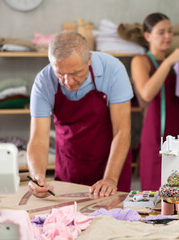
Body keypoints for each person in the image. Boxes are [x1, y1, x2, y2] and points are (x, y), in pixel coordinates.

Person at [27, 32, 133, 198]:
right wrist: (37, 176)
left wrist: (110, 179)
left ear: (89, 59)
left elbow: (122, 131)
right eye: (60, 74)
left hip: (111, 165)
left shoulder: (113, 70)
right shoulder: (43, 81)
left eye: (75, 73)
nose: (68, 82)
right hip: (70, 165)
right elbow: (38, 139)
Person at [131, 12, 179, 190]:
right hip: (155, 130)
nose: (168, 36)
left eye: (170, 31)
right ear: (148, 36)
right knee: (154, 185)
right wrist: (169, 61)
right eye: (161, 32)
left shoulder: (178, 63)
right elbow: (147, 93)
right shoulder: (141, 61)